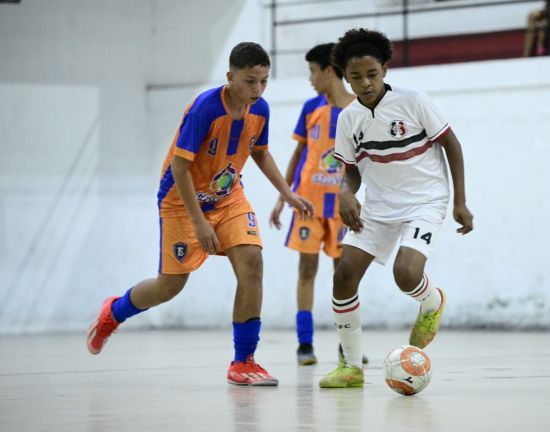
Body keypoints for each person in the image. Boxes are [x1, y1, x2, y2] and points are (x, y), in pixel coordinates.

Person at [86, 42, 314, 387]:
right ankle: (114, 312)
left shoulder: (261, 109)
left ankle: (243, 361)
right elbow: (179, 169)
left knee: (252, 262)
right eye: (250, 81)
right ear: (230, 77)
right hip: (182, 201)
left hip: (228, 197)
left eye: (264, 81)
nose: (257, 90)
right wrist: (198, 222)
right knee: (169, 287)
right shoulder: (205, 108)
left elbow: (261, 153)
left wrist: (287, 192)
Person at [318, 28, 474, 388]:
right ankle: (352, 368)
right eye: (355, 77)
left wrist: (460, 201)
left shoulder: (414, 100)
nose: (365, 82)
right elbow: (351, 171)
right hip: (378, 205)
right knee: (343, 276)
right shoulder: (348, 119)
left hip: (425, 199)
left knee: (405, 274)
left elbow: (452, 144)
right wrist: (344, 192)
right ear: (345, 77)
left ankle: (431, 302)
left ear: (385, 70)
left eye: (372, 74)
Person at [269, 43, 357, 366]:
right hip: (307, 203)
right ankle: (304, 345)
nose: (310, 78)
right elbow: (298, 155)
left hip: (343, 209)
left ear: (329, 71)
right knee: (307, 269)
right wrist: (283, 197)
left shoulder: (358, 110)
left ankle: (348, 345)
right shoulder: (310, 108)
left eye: (312, 71)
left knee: (344, 276)